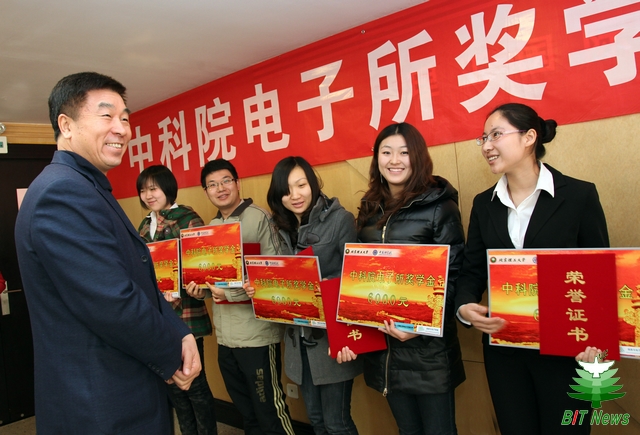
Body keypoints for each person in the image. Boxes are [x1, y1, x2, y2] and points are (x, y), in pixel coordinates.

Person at [14, 72, 200, 435]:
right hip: (101, 402)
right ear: (66, 125)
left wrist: (180, 331)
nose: (122, 129)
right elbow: (111, 300)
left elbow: (135, 278)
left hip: (117, 391)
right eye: (106, 116)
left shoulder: (87, 186)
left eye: (125, 118)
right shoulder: (62, 192)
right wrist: (171, 351)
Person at [454, 103, 608, 435]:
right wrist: (464, 307)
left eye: (496, 135)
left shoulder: (579, 195)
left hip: (569, 350)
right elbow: (472, 271)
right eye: (483, 138)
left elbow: (599, 274)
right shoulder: (484, 204)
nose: (486, 146)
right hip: (505, 350)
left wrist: (598, 339)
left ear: (529, 137)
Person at [337, 122, 466, 435]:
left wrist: (418, 328)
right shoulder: (370, 208)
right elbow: (359, 277)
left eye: (404, 152)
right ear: (377, 158)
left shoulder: (440, 207)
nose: (394, 160)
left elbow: (455, 279)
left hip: (428, 353)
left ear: (418, 157)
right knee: (407, 430)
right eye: (386, 152)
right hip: (384, 349)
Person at [186, 159, 294, 435]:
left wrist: (231, 293)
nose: (220, 188)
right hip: (226, 337)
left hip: (257, 335)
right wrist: (201, 290)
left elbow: (275, 274)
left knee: (270, 411)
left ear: (237, 183)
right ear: (206, 191)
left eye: (226, 181)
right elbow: (212, 279)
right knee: (247, 413)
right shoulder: (212, 226)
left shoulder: (260, 218)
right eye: (212, 184)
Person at [265, 156, 362, 435]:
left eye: (301, 185)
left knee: (336, 423)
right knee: (317, 421)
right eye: (286, 190)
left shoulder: (339, 219)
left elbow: (355, 278)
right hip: (298, 341)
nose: (295, 196)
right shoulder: (279, 226)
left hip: (333, 339)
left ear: (313, 184)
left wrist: (322, 286)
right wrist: (262, 288)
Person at [137, 165, 218, 435]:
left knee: (195, 383)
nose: (148, 195)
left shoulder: (188, 219)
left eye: (153, 188)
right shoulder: (144, 224)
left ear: (168, 189)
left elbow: (202, 263)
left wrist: (192, 285)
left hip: (185, 312)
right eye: (143, 190)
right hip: (158, 314)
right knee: (172, 383)